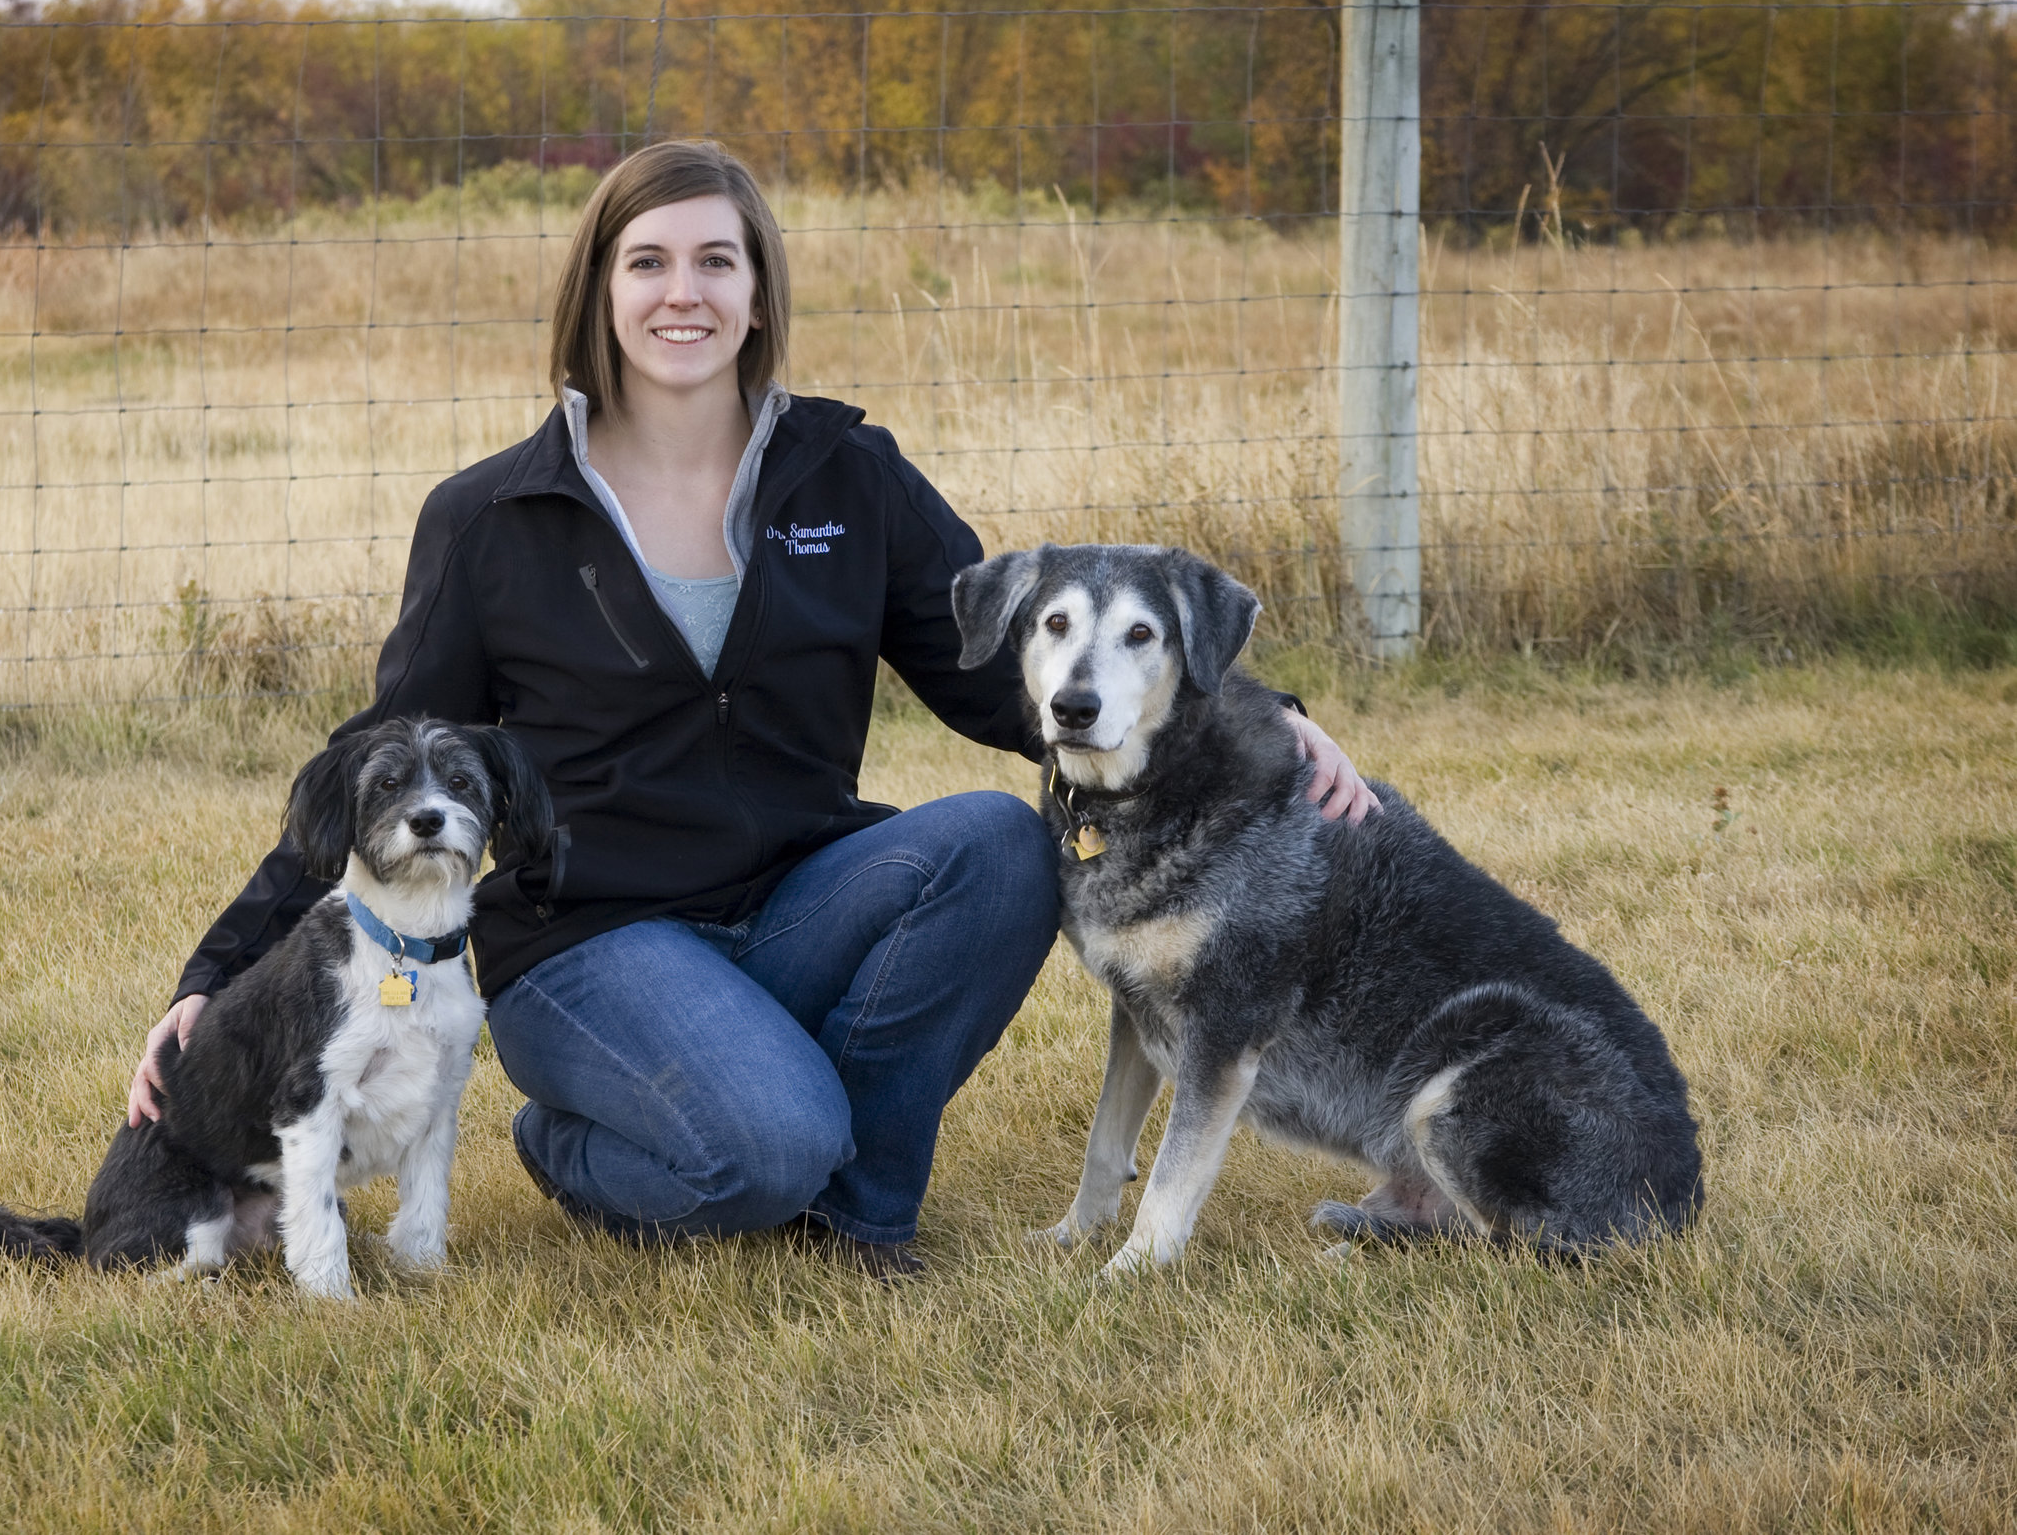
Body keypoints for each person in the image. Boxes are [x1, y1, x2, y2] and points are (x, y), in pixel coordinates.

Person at [128, 140, 1379, 1277]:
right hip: (588, 941)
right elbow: (378, 759)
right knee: (766, 1143)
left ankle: (860, 1211)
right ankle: (580, 1143)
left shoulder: (847, 472)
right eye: (649, 262)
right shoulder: (491, 518)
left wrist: (1263, 720)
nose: (685, 293)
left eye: (717, 261)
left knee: (1000, 843)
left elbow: (1007, 669)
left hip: (798, 898)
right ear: (599, 294)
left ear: (760, 290)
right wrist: (219, 971)